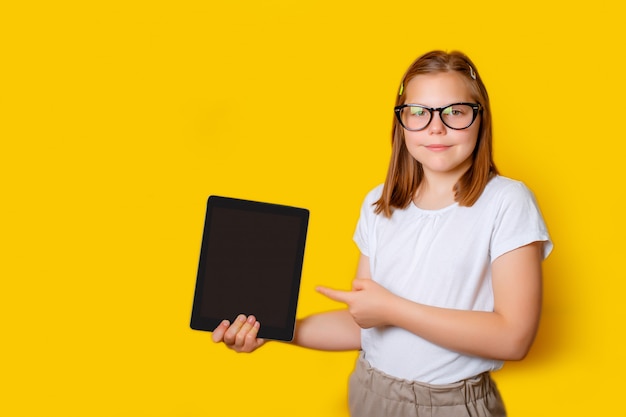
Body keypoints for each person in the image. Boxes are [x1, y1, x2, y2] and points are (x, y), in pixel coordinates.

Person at [211, 50, 553, 417]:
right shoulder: (381, 202)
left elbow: (513, 337)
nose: (436, 127)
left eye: (455, 111)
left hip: (450, 404)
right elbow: (365, 324)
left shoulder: (507, 201)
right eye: (419, 112)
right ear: (401, 122)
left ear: (480, 119)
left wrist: (392, 308)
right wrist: (278, 329)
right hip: (370, 391)